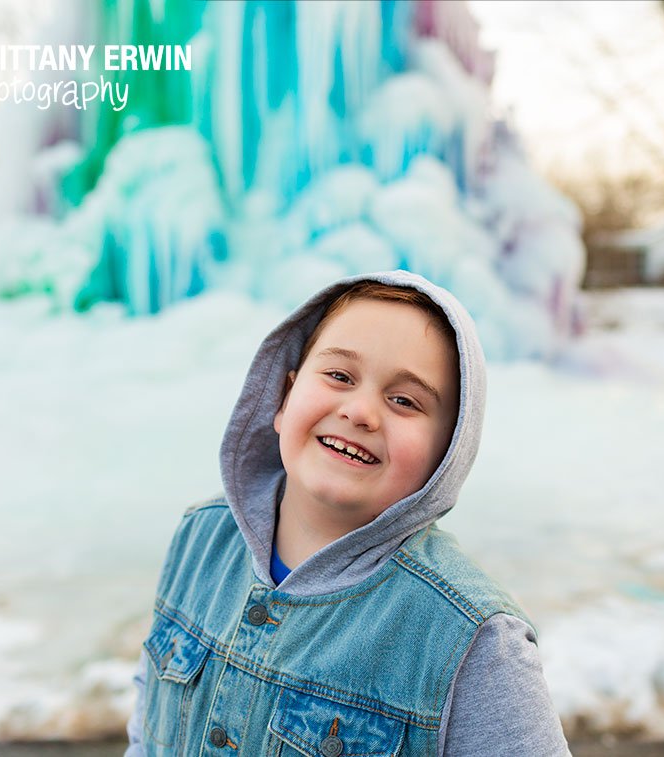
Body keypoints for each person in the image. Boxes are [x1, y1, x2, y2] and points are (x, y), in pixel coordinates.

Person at [126, 270, 570, 756]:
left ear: (446, 455)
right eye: (339, 376)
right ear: (283, 397)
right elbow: (146, 722)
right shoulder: (201, 536)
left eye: (405, 400)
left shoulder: (475, 643)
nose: (360, 412)